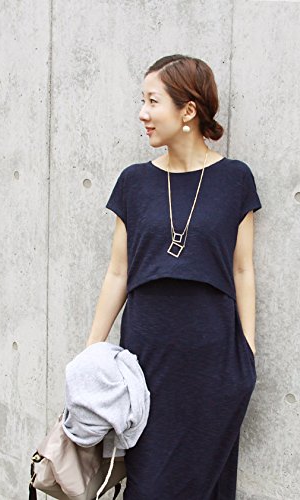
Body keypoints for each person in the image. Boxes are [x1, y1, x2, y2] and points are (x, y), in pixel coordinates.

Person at [85, 55, 262, 499]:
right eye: (142, 101)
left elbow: (242, 269)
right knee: (148, 484)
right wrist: (90, 355)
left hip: (214, 362)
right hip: (146, 361)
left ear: (188, 111)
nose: (142, 113)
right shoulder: (134, 182)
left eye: (152, 101)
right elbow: (118, 272)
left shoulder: (235, 179)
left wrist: (247, 354)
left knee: (207, 485)